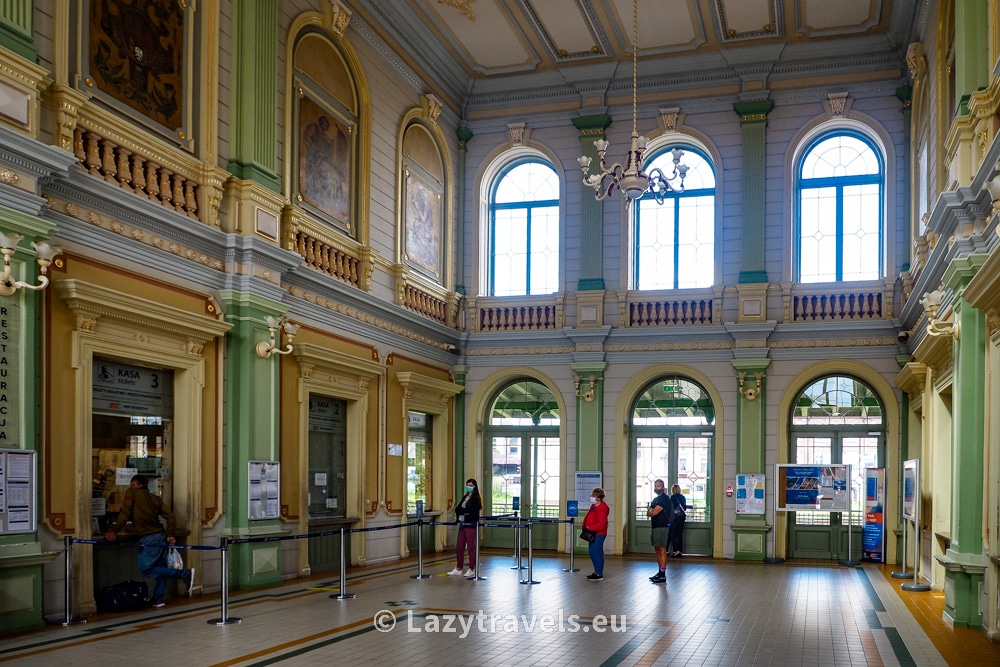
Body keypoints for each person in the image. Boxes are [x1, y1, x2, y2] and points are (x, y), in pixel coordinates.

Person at [105, 474, 195, 607]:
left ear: (134, 484)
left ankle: (183, 574)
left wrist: (114, 531)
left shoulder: (132, 493)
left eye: (131, 484)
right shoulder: (155, 498)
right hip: (161, 535)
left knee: (145, 570)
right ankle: (158, 599)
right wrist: (170, 533)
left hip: (149, 539)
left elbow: (124, 513)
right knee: (161, 568)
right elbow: (170, 516)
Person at [447, 478, 482, 578]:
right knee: (459, 546)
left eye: (470, 485)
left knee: (471, 547)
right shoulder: (465, 497)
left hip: (470, 524)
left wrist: (464, 512)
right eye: (467, 485)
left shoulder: (475, 499)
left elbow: (469, 510)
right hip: (462, 523)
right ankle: (459, 568)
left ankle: (472, 568)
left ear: (474, 487)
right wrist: (463, 512)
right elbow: (457, 509)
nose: (468, 487)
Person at [645, 479, 671, 583]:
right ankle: (660, 572)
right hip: (654, 526)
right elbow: (648, 513)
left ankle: (663, 574)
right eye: (655, 486)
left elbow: (654, 512)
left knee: (662, 549)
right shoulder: (655, 499)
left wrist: (652, 511)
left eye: (659, 486)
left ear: (663, 487)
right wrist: (651, 511)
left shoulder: (664, 499)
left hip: (662, 527)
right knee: (657, 549)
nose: (657, 488)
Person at [583, 486, 609, 581]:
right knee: (592, 551)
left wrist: (591, 527)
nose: (591, 497)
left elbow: (601, 524)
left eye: (593, 495)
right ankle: (596, 571)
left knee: (597, 552)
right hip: (592, 533)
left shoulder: (602, 508)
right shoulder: (594, 506)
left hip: (598, 533)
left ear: (598, 497)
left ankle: (599, 573)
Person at [667, 483, 688, 557]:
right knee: (679, 535)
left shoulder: (672, 498)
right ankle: (680, 550)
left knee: (672, 534)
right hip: (682, 518)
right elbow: (684, 508)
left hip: (675, 518)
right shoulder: (683, 497)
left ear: (672, 490)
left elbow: (670, 509)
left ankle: (676, 550)